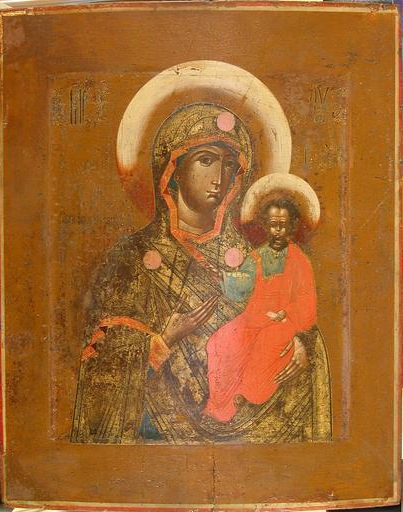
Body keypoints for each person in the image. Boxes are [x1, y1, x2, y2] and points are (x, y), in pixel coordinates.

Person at [71, 102, 331, 444]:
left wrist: (301, 344)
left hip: (257, 423)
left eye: (229, 164)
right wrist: (162, 341)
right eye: (206, 160)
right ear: (173, 170)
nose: (219, 177)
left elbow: (291, 310)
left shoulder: (255, 255)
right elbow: (99, 369)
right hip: (164, 434)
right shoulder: (131, 257)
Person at [203, 199, 317, 423]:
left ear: (291, 226)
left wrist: (286, 313)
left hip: (283, 321)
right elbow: (243, 285)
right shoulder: (257, 255)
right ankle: (217, 404)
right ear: (266, 225)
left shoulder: (299, 260)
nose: (278, 230)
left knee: (265, 343)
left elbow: (307, 300)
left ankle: (244, 395)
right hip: (253, 318)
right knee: (219, 340)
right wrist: (223, 277)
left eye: (283, 225)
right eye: (274, 225)